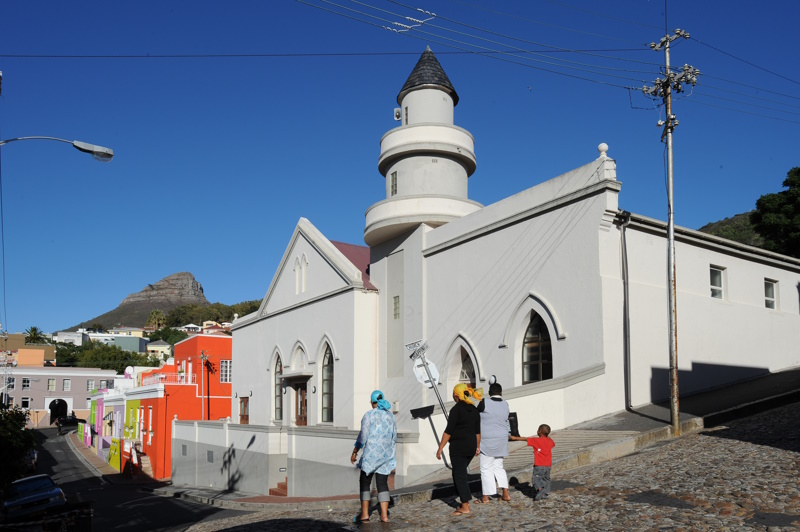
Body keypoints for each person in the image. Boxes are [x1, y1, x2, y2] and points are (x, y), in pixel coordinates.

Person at [436, 383, 482, 516]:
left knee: (460, 475)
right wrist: (477, 447)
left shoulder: (456, 410)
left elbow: (448, 431)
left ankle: (465, 505)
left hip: (458, 447)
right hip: (471, 447)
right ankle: (463, 498)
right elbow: (477, 432)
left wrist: (440, 448)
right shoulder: (474, 410)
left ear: (456, 395)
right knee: (458, 472)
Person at [351, 390, 397, 523]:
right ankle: (384, 515)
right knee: (382, 484)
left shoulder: (368, 415)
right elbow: (394, 437)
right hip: (385, 456)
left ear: (372, 402)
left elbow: (362, 437)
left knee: (365, 483)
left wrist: (355, 452)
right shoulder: (391, 416)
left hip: (370, 457)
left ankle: (365, 514)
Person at [476, 382, 511, 503]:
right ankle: (505, 493)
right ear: (501, 393)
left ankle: (486, 497)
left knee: (486, 468)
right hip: (502, 439)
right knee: (499, 467)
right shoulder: (505, 404)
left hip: (487, 440)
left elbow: (475, 415)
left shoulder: (484, 402)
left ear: (490, 393)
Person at [510, 423, 555, 500]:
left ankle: (540, 490)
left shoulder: (536, 440)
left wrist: (514, 438)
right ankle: (546, 493)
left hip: (539, 465)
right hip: (548, 465)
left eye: (538, 430)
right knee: (546, 479)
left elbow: (525, 439)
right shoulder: (550, 441)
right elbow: (553, 444)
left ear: (539, 431)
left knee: (536, 479)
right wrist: (547, 436)